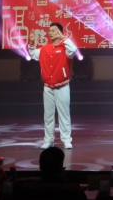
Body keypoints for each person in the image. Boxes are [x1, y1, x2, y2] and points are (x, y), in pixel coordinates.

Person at [28, 22, 79, 150]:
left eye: (54, 30)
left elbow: (73, 50)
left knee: (64, 114)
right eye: (49, 31)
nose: (50, 33)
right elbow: (33, 54)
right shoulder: (45, 49)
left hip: (62, 86)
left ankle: (66, 140)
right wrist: (32, 42)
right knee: (48, 116)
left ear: (60, 32)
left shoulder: (65, 47)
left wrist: (63, 38)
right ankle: (48, 140)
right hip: (47, 86)